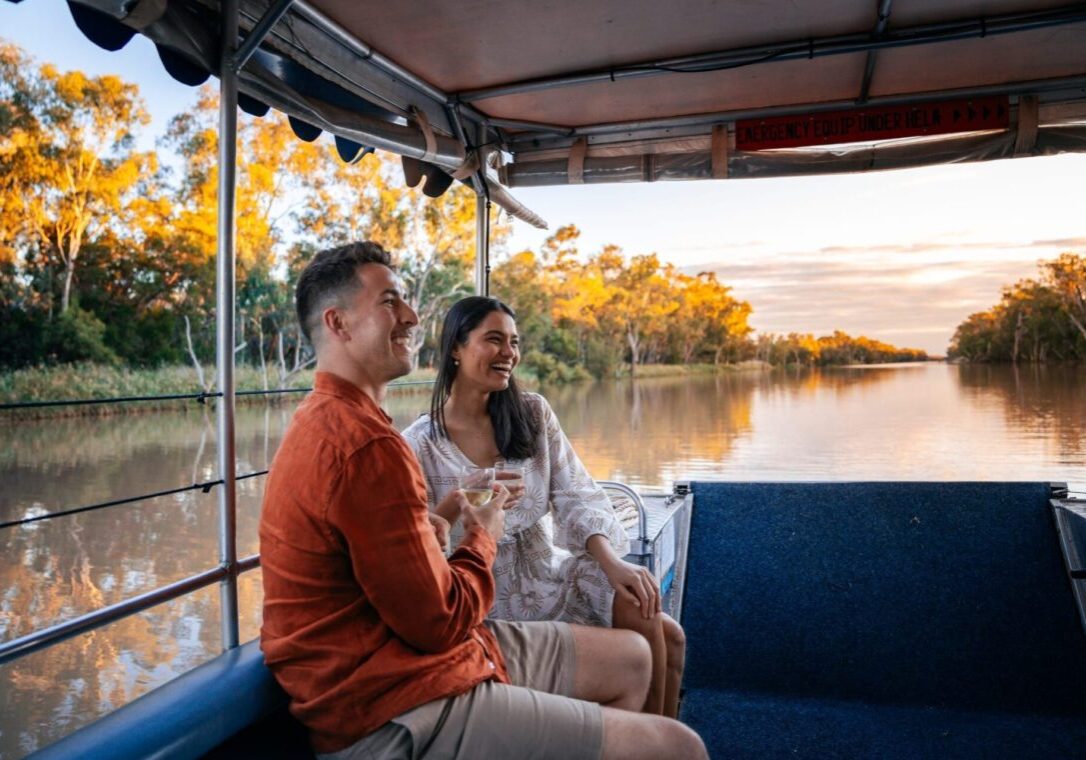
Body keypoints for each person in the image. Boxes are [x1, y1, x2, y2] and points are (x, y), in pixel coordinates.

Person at [259, 241, 706, 760]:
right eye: (389, 303)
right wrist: (482, 529)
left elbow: (404, 557)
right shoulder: (381, 445)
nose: (410, 315)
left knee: (641, 649)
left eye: (513, 342)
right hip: (395, 686)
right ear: (338, 324)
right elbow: (439, 618)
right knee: (681, 747)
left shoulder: (338, 423)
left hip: (430, 645)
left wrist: (462, 517)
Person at [402, 296, 687, 718]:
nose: (509, 353)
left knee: (650, 612)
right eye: (494, 340)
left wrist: (612, 562)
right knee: (664, 637)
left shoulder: (532, 413)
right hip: (482, 593)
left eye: (514, 342)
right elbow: (418, 544)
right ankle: (645, 738)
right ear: (456, 350)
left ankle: (657, 739)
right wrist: (461, 498)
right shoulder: (417, 443)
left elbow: (577, 493)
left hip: (547, 575)